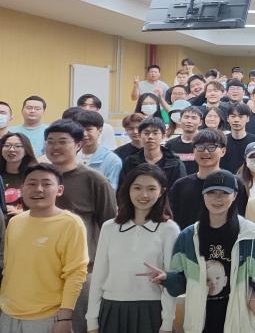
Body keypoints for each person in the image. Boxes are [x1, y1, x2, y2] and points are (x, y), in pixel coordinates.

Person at [146, 170, 255, 333]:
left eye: (224, 193)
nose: (217, 198)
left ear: (235, 195)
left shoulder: (249, 234)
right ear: (203, 195)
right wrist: (167, 278)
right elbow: (181, 283)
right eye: (211, 193)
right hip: (199, 319)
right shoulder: (188, 236)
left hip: (238, 317)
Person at [42, 119, 118, 330]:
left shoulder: (95, 180)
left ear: (78, 144)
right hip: (44, 265)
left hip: (83, 269)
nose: (55, 147)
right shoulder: (39, 178)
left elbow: (110, 225)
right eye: (50, 141)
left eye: (62, 141)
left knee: (78, 325)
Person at [86, 164, 179, 333]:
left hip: (152, 311)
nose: (144, 195)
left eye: (151, 189)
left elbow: (170, 280)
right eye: (137, 188)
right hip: (112, 309)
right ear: (127, 189)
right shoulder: (109, 227)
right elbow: (98, 277)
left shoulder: (169, 229)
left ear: (162, 192)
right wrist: (92, 320)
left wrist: (167, 323)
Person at [0, 164, 87, 332]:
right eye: (32, 183)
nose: (38, 189)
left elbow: (76, 273)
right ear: (22, 189)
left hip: (47, 317)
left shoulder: (71, 224)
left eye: (46, 184)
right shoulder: (15, 222)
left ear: (59, 190)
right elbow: (9, 268)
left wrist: (65, 317)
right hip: (8, 314)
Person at [167, 128, 250, 229]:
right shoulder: (180, 186)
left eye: (211, 147)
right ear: (193, 151)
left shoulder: (235, 183)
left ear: (223, 151)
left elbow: (242, 218)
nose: (205, 152)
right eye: (200, 147)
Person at [121, 117, 187, 190]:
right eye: (146, 133)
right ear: (139, 135)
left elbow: (181, 190)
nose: (150, 137)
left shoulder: (175, 163)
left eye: (155, 133)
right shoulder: (130, 162)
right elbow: (124, 189)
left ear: (163, 136)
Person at [71, 109, 122, 189]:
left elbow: (111, 191)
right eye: (80, 129)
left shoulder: (112, 160)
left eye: (89, 129)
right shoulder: (71, 156)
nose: (84, 134)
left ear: (99, 131)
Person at [222, 103, 255, 175]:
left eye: (240, 117)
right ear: (227, 119)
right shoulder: (222, 140)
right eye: (233, 116)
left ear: (248, 119)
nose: (236, 120)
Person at [165, 106, 203, 175]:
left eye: (193, 118)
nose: (189, 121)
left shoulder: (205, 143)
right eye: (186, 117)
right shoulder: (170, 144)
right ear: (180, 120)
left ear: (200, 122)